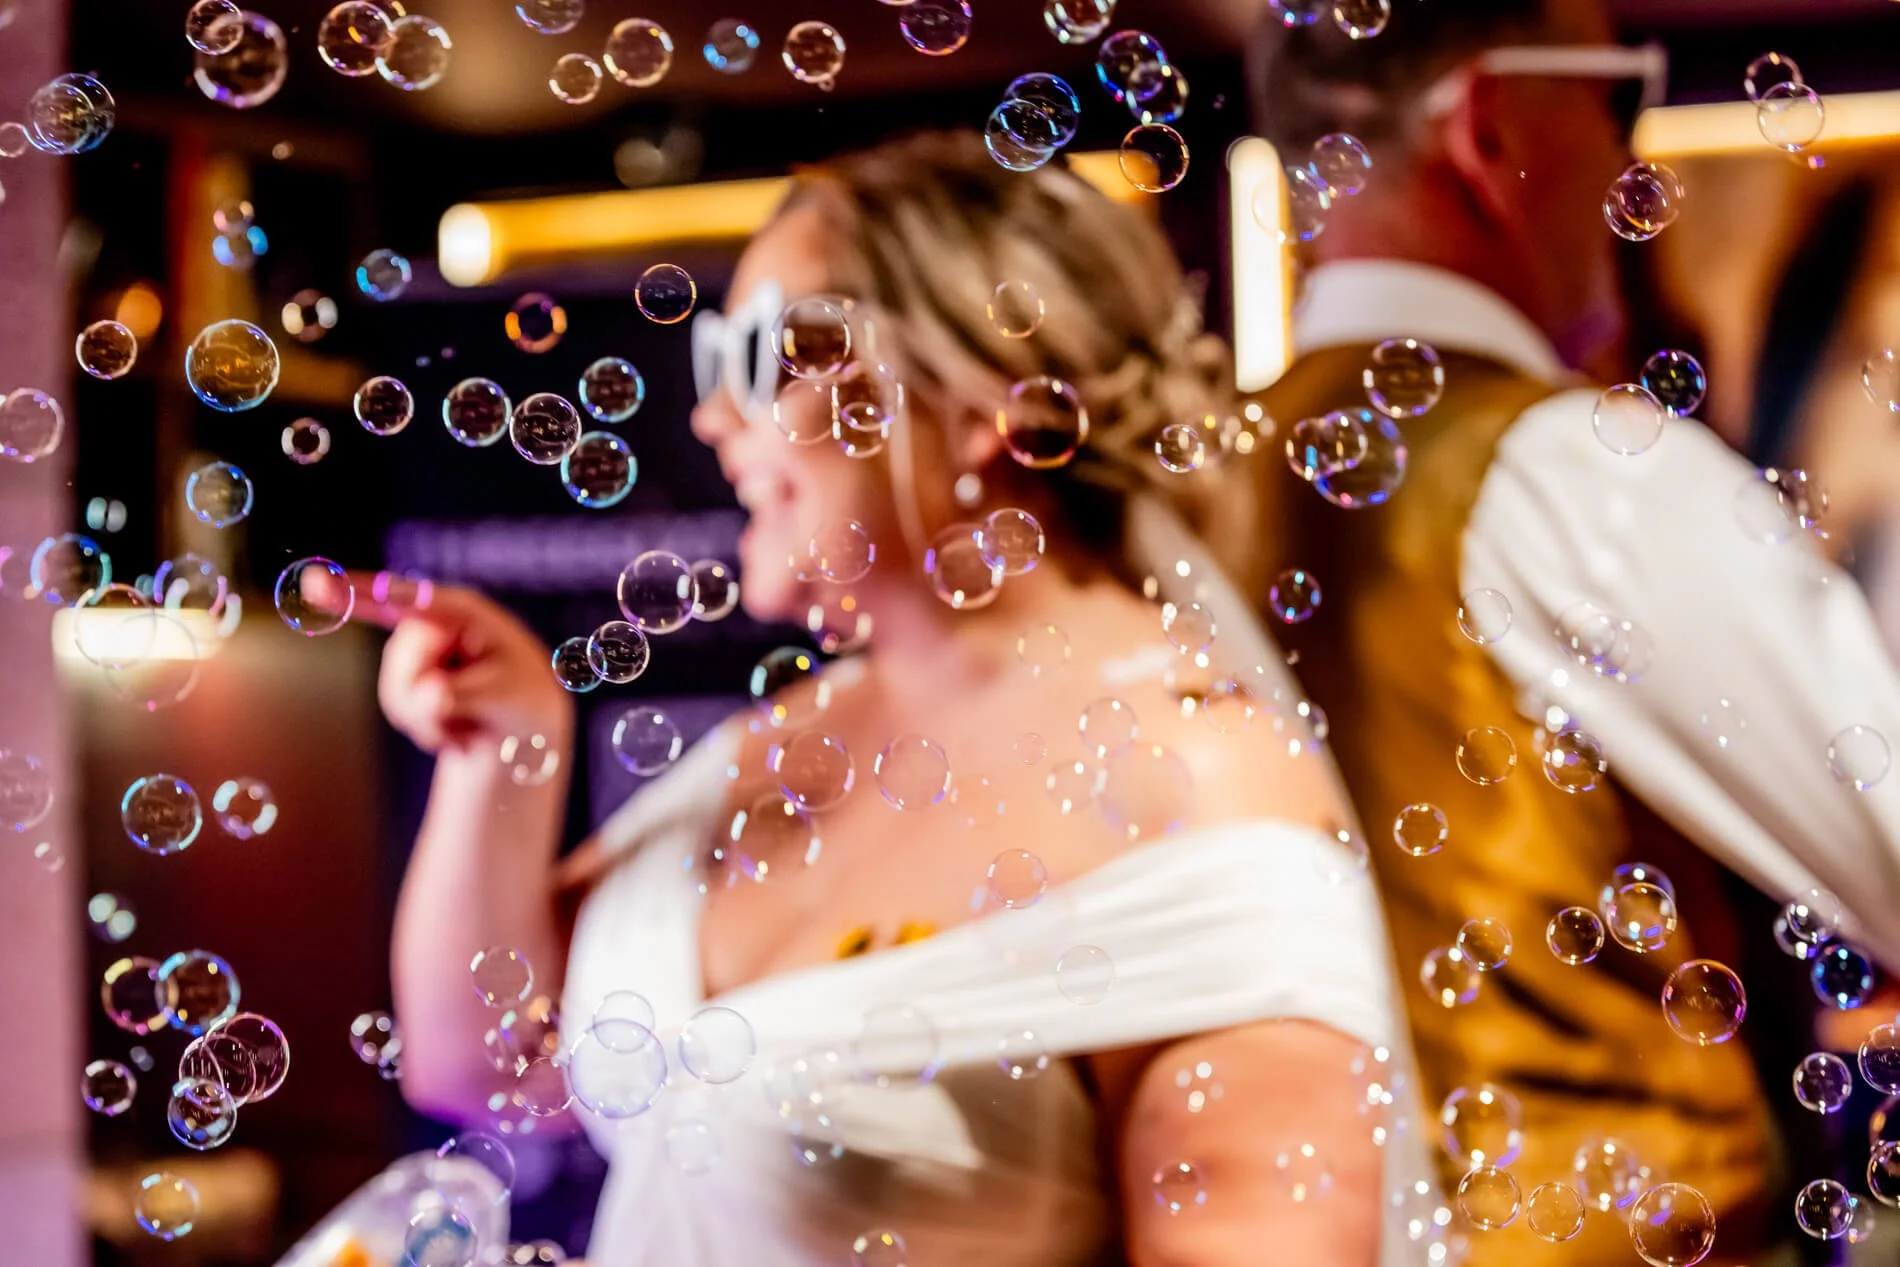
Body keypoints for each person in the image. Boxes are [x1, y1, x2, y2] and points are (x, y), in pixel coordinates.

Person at [348, 132, 1438, 1266]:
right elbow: (484, 1065)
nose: (714, 418)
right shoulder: (781, 744)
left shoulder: (1207, 801)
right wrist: (508, 754)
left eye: (766, 355)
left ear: (993, 400)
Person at [1241, 4, 1900, 1266]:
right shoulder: (1580, 474)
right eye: (1617, 102)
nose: (1626, 165)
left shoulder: (1186, 492)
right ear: (1487, 129)